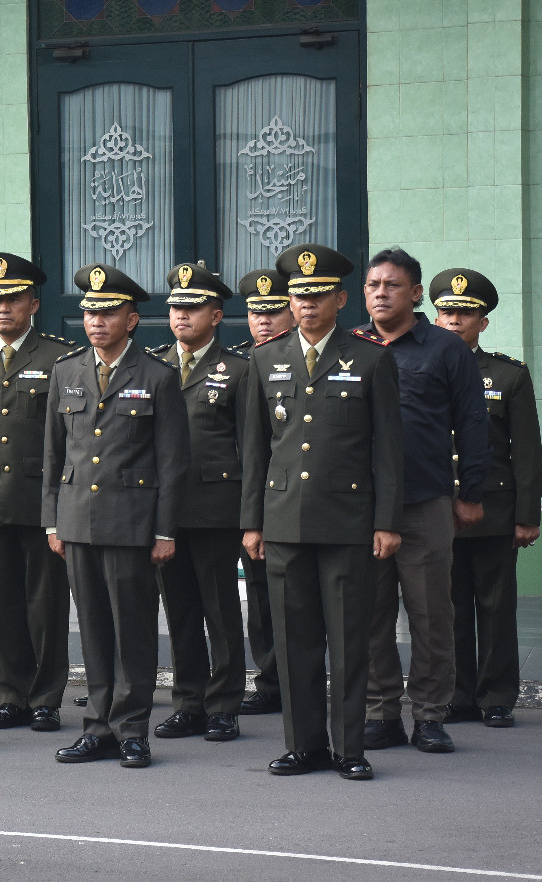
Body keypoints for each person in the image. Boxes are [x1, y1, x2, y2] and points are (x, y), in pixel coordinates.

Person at [241, 243, 404, 780]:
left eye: (316, 296)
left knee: (348, 639)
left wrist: (386, 522)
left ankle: (348, 748)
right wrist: (252, 522)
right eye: (297, 296)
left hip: (348, 520)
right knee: (294, 641)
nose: (305, 305)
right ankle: (303, 745)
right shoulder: (265, 359)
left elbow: (387, 449)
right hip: (284, 518)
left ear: (339, 299)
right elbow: (256, 450)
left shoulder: (371, 358)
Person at [44, 263, 188, 769]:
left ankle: (132, 728)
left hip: (132, 524)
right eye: (89, 312)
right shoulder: (67, 371)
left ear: (131, 319)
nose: (96, 321)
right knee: (94, 630)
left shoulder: (157, 376)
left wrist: (165, 530)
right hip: (78, 520)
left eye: (108, 312)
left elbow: (173, 463)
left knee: (133, 630)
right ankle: (98, 726)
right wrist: (52, 521)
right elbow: (54, 455)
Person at [356, 248, 489, 755]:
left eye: (392, 285)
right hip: (363, 506)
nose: (381, 293)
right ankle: (380, 713)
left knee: (431, 613)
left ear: (415, 294)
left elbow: (473, 423)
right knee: (369, 614)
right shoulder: (351, 347)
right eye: (373, 285)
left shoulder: (444, 348)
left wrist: (470, 492)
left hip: (424, 500)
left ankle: (430, 715)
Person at [430, 268, 542, 729]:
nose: (454, 320)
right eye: (446, 311)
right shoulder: (419, 369)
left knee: (495, 609)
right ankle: (458, 695)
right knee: (448, 607)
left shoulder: (507, 375)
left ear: (483, 322)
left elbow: (526, 451)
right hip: (436, 509)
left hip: (494, 511)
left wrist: (526, 515)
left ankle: (497, 696)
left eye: (465, 313)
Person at [0, 253, 73, 736]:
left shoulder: (60, 358)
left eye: (12, 300)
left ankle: (47, 697)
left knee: (46, 605)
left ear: (33, 303)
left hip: (41, 502)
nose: (3, 309)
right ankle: (11, 694)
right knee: (1, 603)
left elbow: (72, 439)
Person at [149, 262, 249, 744]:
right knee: (180, 611)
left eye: (192, 308)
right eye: (175, 307)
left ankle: (225, 706)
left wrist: (252, 517)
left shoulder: (237, 370)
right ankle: (188, 702)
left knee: (220, 610)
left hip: (215, 509)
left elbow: (252, 449)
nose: (181, 316)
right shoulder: (152, 366)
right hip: (165, 512)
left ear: (217, 314)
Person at [234, 268, 296, 717]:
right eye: (256, 312)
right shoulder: (239, 363)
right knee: (259, 596)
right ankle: (270, 679)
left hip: (291, 495)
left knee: (295, 596)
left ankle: (298, 680)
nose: (263, 320)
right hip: (244, 498)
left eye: (272, 311)